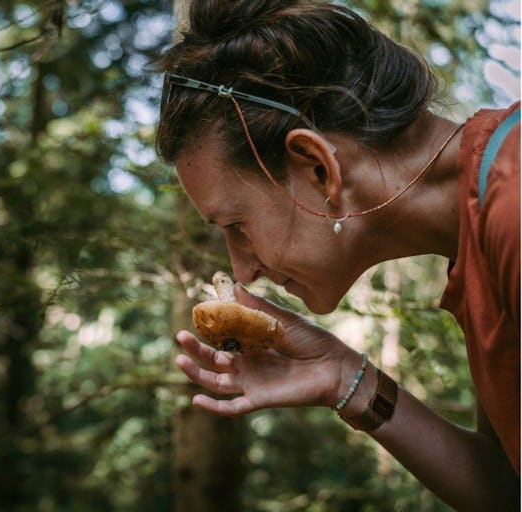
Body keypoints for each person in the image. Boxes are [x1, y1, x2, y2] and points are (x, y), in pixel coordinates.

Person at [156, 0, 520, 508]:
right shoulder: (479, 232)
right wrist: (343, 374)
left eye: (236, 225)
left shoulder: (514, 204)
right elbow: (507, 488)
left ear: (319, 168)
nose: (244, 271)